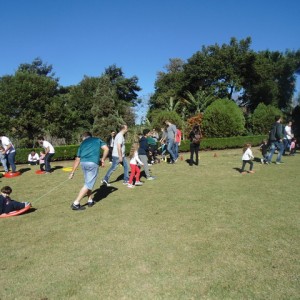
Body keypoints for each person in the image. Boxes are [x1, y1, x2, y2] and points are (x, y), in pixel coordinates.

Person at [69, 132, 109, 210]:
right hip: (92, 163)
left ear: (84, 138)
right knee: (88, 184)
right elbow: (106, 149)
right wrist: (103, 159)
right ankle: (75, 203)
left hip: (83, 163)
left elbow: (77, 159)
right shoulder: (97, 140)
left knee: (88, 182)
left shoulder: (82, 144)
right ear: (90, 136)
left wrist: (72, 172)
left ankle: (90, 200)